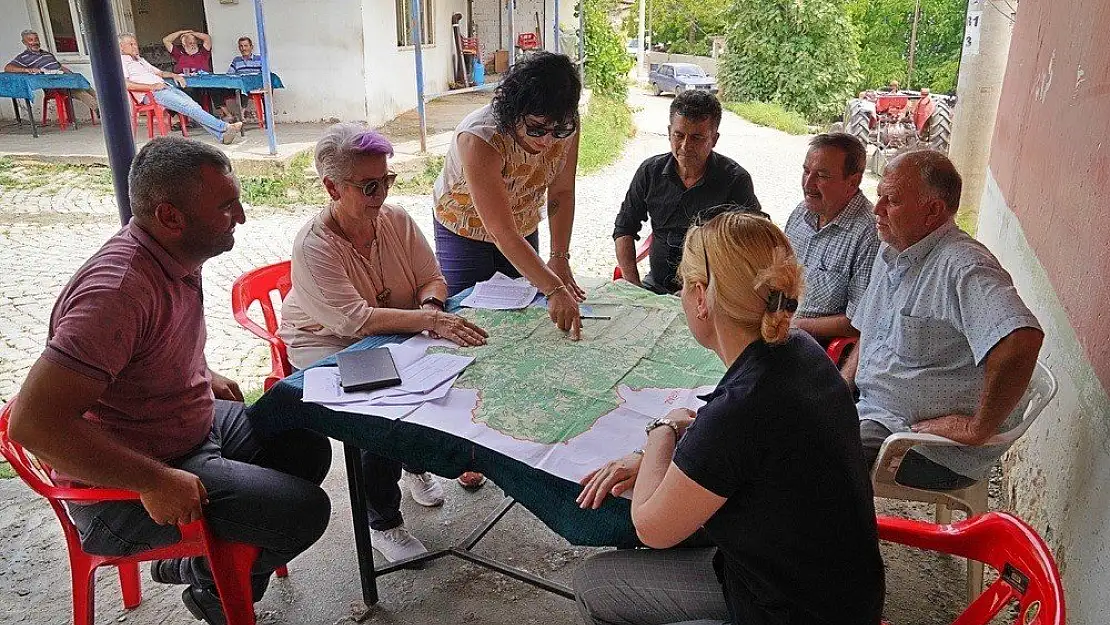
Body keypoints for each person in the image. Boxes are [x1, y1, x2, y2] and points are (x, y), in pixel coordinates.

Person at [7, 137, 332, 625]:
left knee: (306, 439)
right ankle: (201, 574)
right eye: (226, 207)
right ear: (170, 217)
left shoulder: (177, 254)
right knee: (303, 512)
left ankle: (224, 584)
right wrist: (153, 479)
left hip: (188, 431)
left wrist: (204, 372)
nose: (241, 217)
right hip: (127, 485)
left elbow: (147, 353)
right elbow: (33, 425)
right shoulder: (117, 293)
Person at [573, 212, 884, 625]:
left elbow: (651, 526)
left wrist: (661, 433)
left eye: (684, 285)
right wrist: (671, 451)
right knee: (609, 577)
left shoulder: (740, 411)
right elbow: (751, 440)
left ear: (701, 297)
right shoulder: (801, 350)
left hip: (788, 611)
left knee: (594, 585)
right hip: (840, 594)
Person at [278, 123, 489, 562]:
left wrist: (431, 307)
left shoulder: (394, 220)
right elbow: (354, 320)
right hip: (330, 343)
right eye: (369, 186)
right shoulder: (315, 245)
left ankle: (413, 461)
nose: (381, 195)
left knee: (449, 370)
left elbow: (432, 277)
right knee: (378, 406)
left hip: (395, 327)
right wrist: (428, 320)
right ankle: (383, 520)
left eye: (386, 181)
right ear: (332, 187)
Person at [843, 150, 1044, 489]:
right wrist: (837, 389)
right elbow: (870, 333)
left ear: (932, 210)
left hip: (919, 444)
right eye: (879, 196)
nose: (876, 210)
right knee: (776, 417)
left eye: (890, 200)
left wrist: (976, 428)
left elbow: (1020, 340)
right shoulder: (892, 248)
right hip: (873, 409)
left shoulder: (963, 266)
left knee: (809, 456)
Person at [432, 51, 585, 339]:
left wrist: (559, 257)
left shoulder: (565, 125)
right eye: (536, 129)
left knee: (521, 319)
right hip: (465, 226)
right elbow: (501, 231)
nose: (548, 141)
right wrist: (553, 288)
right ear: (512, 110)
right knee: (471, 318)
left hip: (523, 221)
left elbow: (562, 193)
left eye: (558, 130)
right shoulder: (480, 138)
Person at [613, 90, 763, 294]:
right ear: (669, 132)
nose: (685, 146)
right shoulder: (650, 172)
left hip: (711, 293)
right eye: (679, 135)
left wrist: (702, 292)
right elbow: (624, 228)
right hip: (655, 286)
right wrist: (634, 286)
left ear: (714, 139)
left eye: (697, 138)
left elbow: (753, 244)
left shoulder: (735, 180)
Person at [784, 133, 880, 344]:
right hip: (784, 329)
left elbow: (857, 321)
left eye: (822, 176)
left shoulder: (869, 234)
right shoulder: (801, 213)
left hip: (821, 347)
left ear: (852, 182)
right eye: (806, 171)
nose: (808, 184)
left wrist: (794, 327)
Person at [120, 34, 242, 145]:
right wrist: (152, 87)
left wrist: (175, 75)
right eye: (130, 44)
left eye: (135, 43)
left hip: (165, 87)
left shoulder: (140, 60)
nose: (134, 46)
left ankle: (222, 136)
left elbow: (160, 73)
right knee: (189, 107)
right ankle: (224, 127)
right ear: (121, 47)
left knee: (194, 106)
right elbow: (126, 84)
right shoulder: (121, 61)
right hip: (152, 93)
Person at [5, 29, 98, 120]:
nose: (35, 42)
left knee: (87, 87)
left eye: (36, 39)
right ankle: (100, 111)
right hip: (53, 86)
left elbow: (60, 67)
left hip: (65, 80)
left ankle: (106, 106)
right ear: (24, 42)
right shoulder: (23, 57)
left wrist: (70, 74)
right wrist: (27, 69)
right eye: (31, 40)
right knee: (79, 92)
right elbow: (8, 68)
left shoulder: (47, 54)